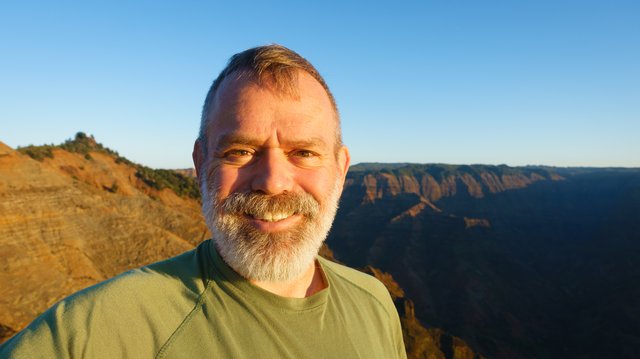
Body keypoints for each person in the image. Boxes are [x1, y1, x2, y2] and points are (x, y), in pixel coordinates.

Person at [0, 44, 407, 358]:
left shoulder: (374, 304)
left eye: (303, 152)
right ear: (199, 164)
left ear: (340, 168)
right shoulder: (95, 332)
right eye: (240, 152)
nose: (272, 181)